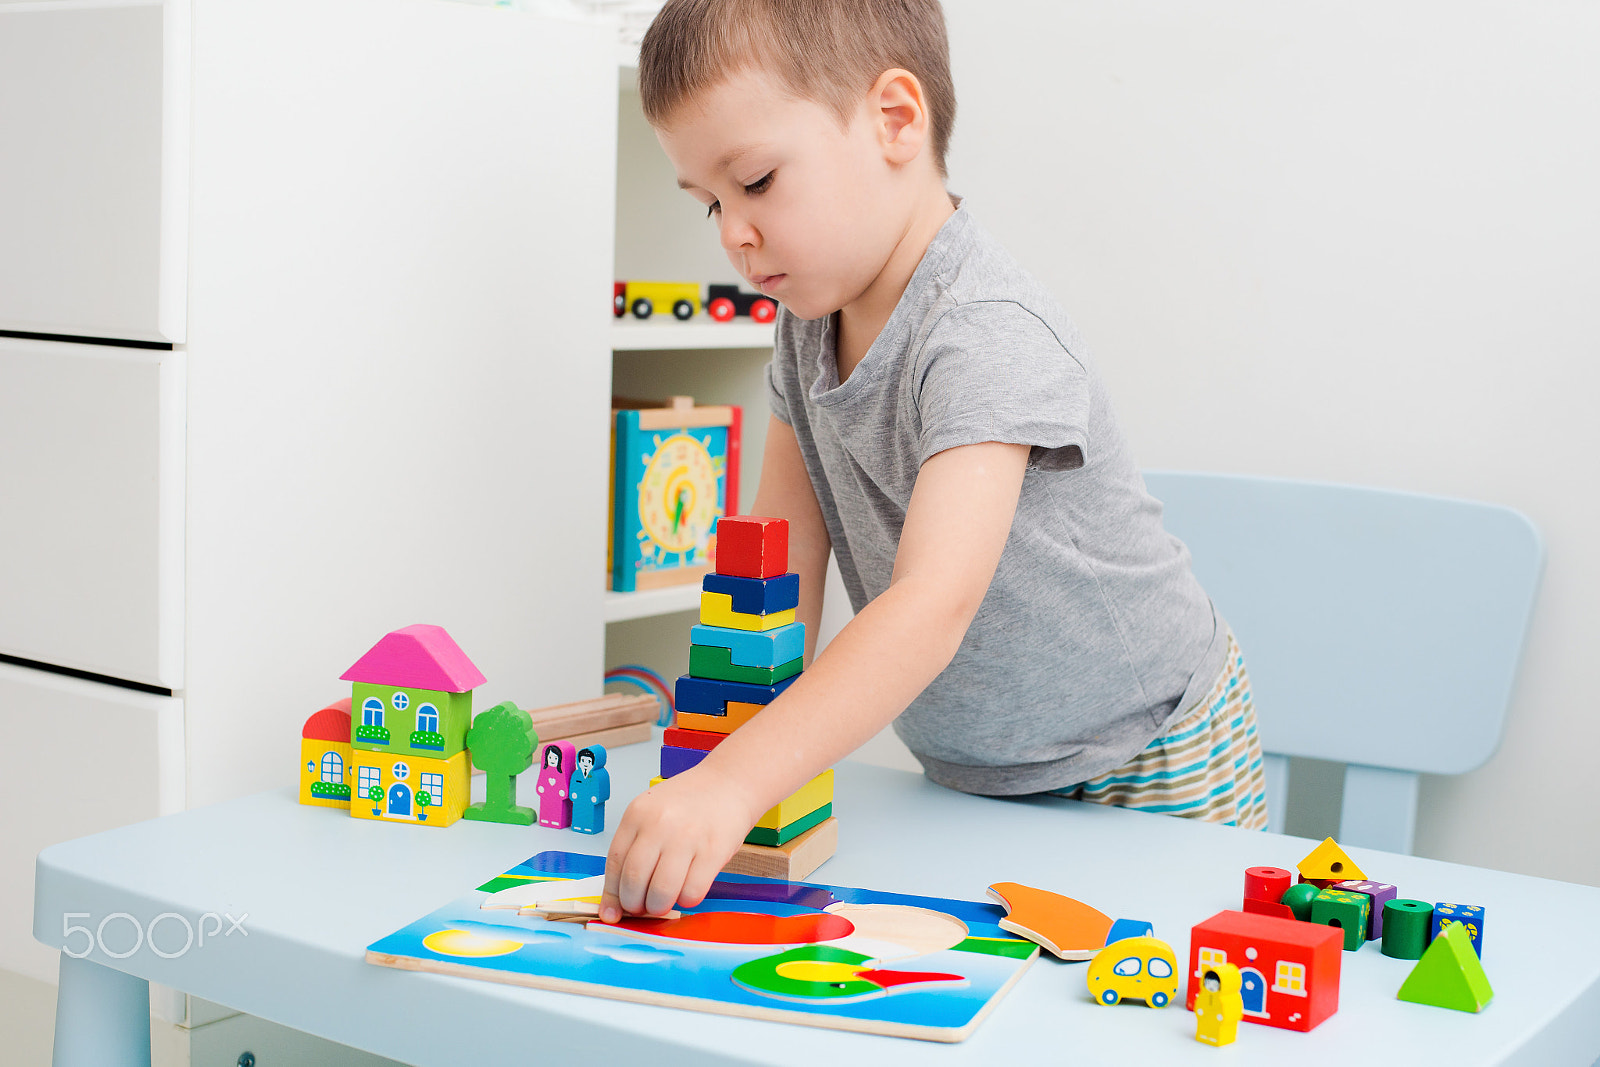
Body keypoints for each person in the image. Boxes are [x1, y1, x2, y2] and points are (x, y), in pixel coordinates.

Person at [600, 0, 1267, 924]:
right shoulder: (804, 332)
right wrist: (714, 749)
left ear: (895, 121)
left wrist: (732, 782)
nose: (732, 234)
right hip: (979, 769)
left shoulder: (984, 331)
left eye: (755, 181)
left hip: (1141, 757)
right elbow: (771, 573)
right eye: (712, 202)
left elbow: (929, 606)